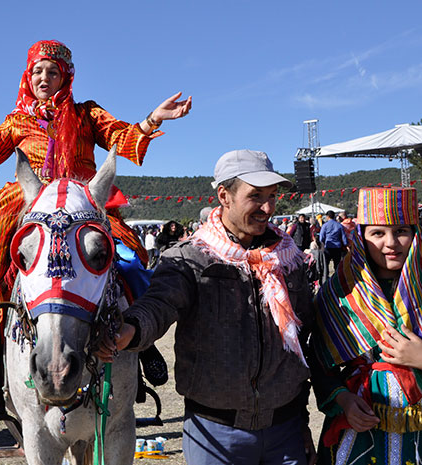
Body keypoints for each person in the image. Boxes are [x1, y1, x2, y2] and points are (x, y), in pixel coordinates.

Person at [0, 39, 191, 397]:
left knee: (130, 261)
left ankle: (139, 344)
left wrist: (152, 120)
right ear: (28, 77)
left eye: (53, 72)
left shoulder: (86, 114)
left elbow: (121, 138)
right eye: (38, 71)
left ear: (66, 78)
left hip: (81, 205)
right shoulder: (16, 122)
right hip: (29, 203)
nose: (45, 77)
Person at [99, 149, 316, 465]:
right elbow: (159, 304)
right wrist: (129, 330)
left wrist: (303, 422)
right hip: (215, 434)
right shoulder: (189, 259)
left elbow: (303, 347)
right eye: (256, 196)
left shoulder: (290, 260)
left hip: (286, 433)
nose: (268, 207)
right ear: (224, 196)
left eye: (272, 196)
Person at [310, 187, 422, 464]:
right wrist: (343, 399)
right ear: (361, 237)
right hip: (359, 423)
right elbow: (318, 359)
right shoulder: (337, 292)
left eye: (402, 231)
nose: (391, 243)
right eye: (378, 233)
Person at [319, 210, 348, 275]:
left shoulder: (325, 225)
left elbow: (321, 237)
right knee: (337, 265)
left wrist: (321, 245)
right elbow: (343, 237)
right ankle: (337, 278)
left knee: (326, 264)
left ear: (327, 217)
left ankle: (326, 278)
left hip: (328, 246)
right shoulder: (339, 225)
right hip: (337, 247)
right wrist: (346, 245)